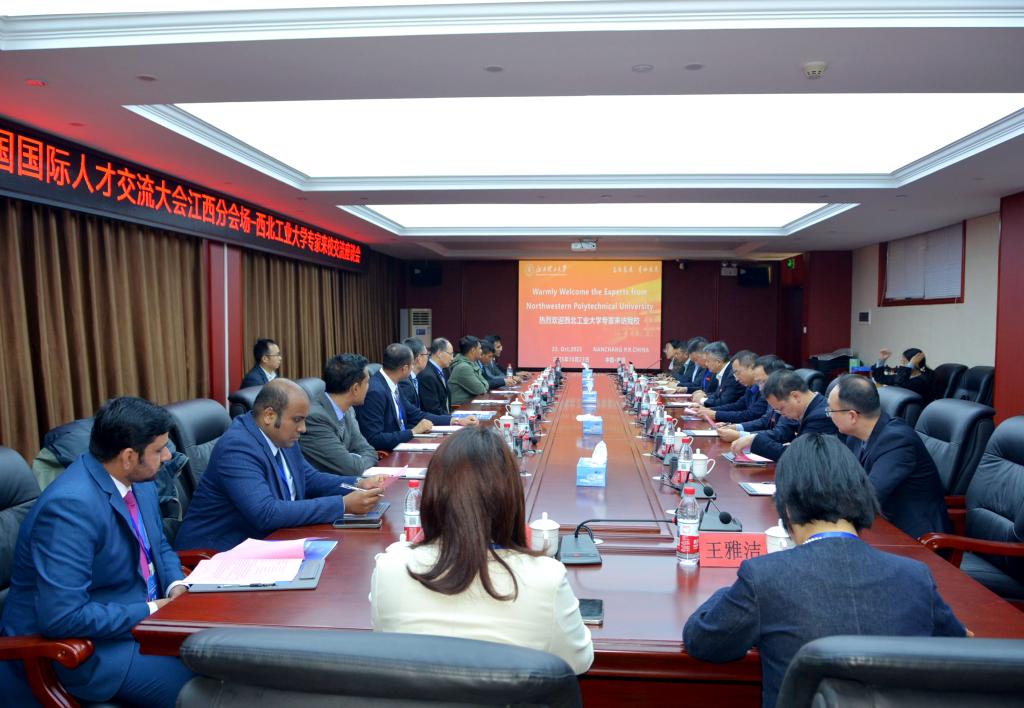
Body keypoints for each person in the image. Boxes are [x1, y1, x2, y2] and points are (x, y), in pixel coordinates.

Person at [683, 434, 967, 708]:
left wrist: (729, 592)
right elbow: (959, 649)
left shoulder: (765, 577)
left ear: (787, 506)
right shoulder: (915, 576)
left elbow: (704, 642)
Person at [2, 397, 194, 707]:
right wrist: (153, 609)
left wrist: (175, 585)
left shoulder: (139, 480)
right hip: (86, 650)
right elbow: (62, 617)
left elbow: (158, 545)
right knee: (203, 689)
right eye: (159, 450)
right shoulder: (70, 508)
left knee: (226, 658)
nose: (168, 456)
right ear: (128, 456)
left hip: (142, 621)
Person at [370, 426, 594, 675]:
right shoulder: (546, 577)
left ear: (431, 495)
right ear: (511, 497)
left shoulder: (390, 568)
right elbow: (578, 661)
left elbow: (385, 645)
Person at [175, 379, 384, 551]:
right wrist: (342, 505)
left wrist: (357, 483)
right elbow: (266, 513)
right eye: (297, 420)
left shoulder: (280, 435)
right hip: (219, 554)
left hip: (271, 540)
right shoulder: (237, 447)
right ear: (269, 415)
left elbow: (309, 478)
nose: (303, 428)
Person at [829, 374, 951, 539]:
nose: (829, 415)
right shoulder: (855, 436)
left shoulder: (897, 441)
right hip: (881, 523)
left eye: (831, 410)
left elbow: (868, 496)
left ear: (852, 416)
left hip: (915, 537)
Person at [299, 353, 379, 476]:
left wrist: (355, 460)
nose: (370, 387)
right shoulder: (314, 418)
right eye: (367, 382)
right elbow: (350, 468)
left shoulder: (348, 409)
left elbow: (368, 450)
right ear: (355, 388)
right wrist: (356, 460)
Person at [730, 369, 837, 461]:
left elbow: (800, 457)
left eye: (781, 409)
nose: (783, 415)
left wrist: (755, 441)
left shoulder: (820, 416)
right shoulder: (807, 409)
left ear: (795, 396)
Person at [354, 343, 439, 451]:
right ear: (404, 368)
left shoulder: (393, 383)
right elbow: (374, 439)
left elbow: (415, 414)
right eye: (412, 365)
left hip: (402, 445)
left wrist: (452, 420)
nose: (413, 368)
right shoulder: (375, 392)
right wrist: (413, 432)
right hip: (388, 453)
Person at [398, 338, 477, 428]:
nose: (452, 358)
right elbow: (414, 415)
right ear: (419, 358)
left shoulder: (444, 370)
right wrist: (455, 420)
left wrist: (455, 420)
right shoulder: (407, 382)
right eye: (427, 354)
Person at [716, 356, 788, 440]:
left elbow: (780, 433)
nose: (760, 388)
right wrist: (735, 427)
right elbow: (765, 421)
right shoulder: (769, 393)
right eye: (758, 382)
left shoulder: (788, 398)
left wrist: (740, 435)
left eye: (763, 382)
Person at [695, 350, 764, 423]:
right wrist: (709, 410)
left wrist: (715, 414)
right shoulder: (750, 387)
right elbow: (738, 405)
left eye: (737, 372)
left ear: (752, 368)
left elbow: (750, 415)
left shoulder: (764, 389)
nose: (736, 379)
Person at [692, 343, 747, 408]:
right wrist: (705, 395)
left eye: (708, 361)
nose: (706, 364)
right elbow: (718, 395)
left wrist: (702, 400)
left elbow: (724, 402)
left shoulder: (732, 375)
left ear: (718, 362)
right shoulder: (722, 371)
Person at [448, 335, 490, 406]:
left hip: (469, 406)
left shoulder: (472, 363)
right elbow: (481, 390)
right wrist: (484, 385)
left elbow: (485, 384)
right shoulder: (463, 367)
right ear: (473, 350)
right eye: (480, 348)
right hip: (461, 408)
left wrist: (484, 385)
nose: (481, 351)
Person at [419, 337, 454, 415]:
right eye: (450, 354)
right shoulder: (427, 376)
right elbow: (433, 409)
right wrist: (453, 419)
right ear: (439, 354)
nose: (452, 358)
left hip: (446, 416)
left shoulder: (445, 370)